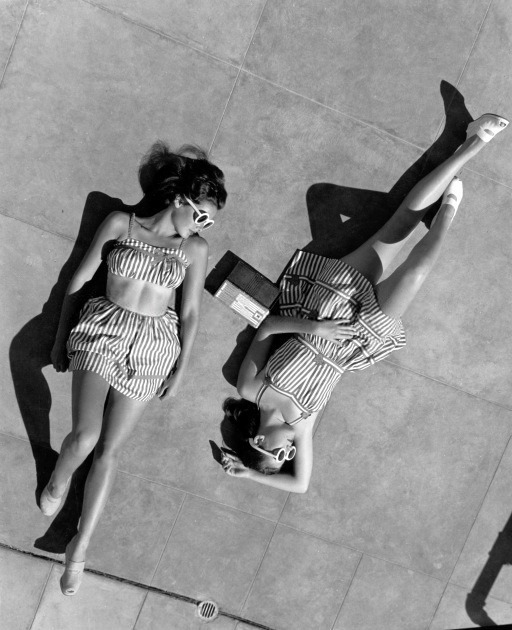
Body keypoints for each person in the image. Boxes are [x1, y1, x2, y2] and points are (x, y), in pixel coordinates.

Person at [220, 113, 508, 493]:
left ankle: (473, 142)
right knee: (417, 272)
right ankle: (447, 215)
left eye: (279, 453)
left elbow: (269, 327)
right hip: (360, 336)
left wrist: (316, 328)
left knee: (401, 222)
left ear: (259, 441)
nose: (290, 452)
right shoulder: (303, 425)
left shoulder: (250, 389)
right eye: (288, 457)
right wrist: (250, 474)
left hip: (327, 306)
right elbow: (301, 486)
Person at [40, 141, 227, 595]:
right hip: (103, 330)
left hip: (154, 346)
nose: (206, 226)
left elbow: (191, 314)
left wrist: (181, 369)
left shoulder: (195, 249)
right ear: (179, 199)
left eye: (211, 220)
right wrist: (61, 335)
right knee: (84, 436)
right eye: (202, 214)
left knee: (109, 450)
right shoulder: (123, 223)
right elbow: (80, 279)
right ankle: (59, 480)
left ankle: (79, 549)